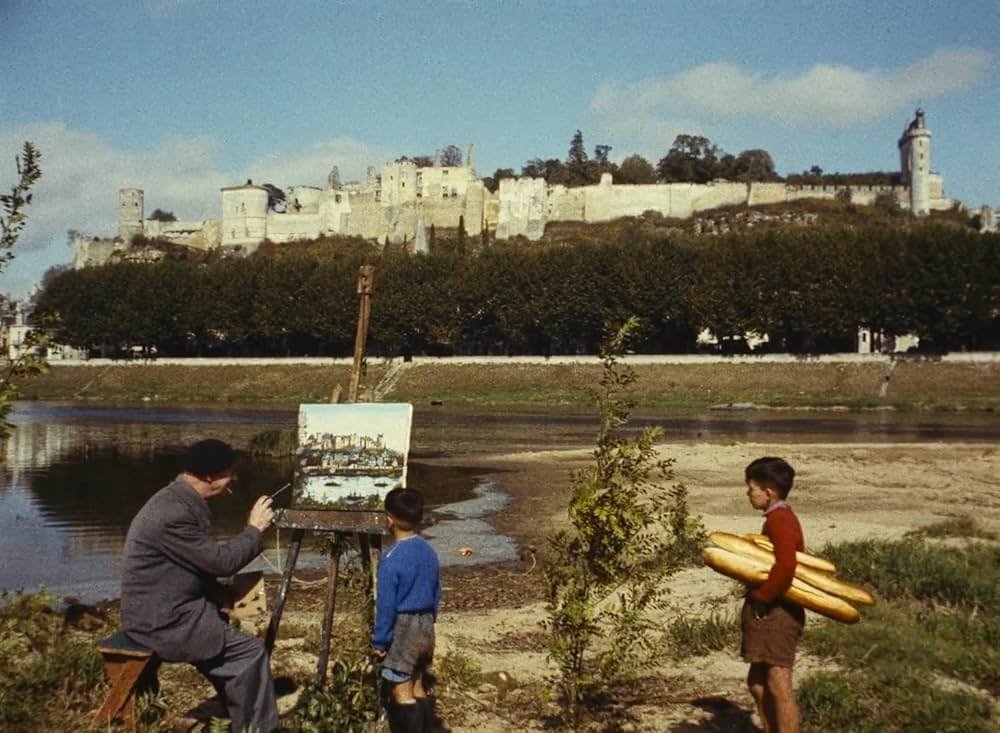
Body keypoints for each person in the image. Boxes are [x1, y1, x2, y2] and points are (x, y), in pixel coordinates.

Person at [121, 438, 279, 733]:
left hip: (159, 610)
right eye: (229, 473)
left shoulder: (177, 500)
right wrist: (255, 530)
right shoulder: (174, 514)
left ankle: (236, 709)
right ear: (209, 477)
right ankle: (257, 729)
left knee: (225, 632)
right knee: (250, 654)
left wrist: (221, 592)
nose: (233, 480)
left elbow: (196, 563)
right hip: (161, 621)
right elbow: (221, 562)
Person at [742, 456, 804, 733]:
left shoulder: (781, 520)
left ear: (769, 492)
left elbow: (787, 564)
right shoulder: (777, 517)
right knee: (757, 682)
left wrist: (763, 597)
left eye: (751, 488)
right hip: (770, 609)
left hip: (776, 611)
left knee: (777, 682)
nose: (748, 493)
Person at [372, 488, 442, 733]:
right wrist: (430, 620)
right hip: (426, 624)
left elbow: (386, 605)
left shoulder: (391, 558)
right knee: (418, 683)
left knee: (401, 692)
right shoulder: (429, 551)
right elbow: (436, 591)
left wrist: (380, 641)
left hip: (404, 627)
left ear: (389, 519)